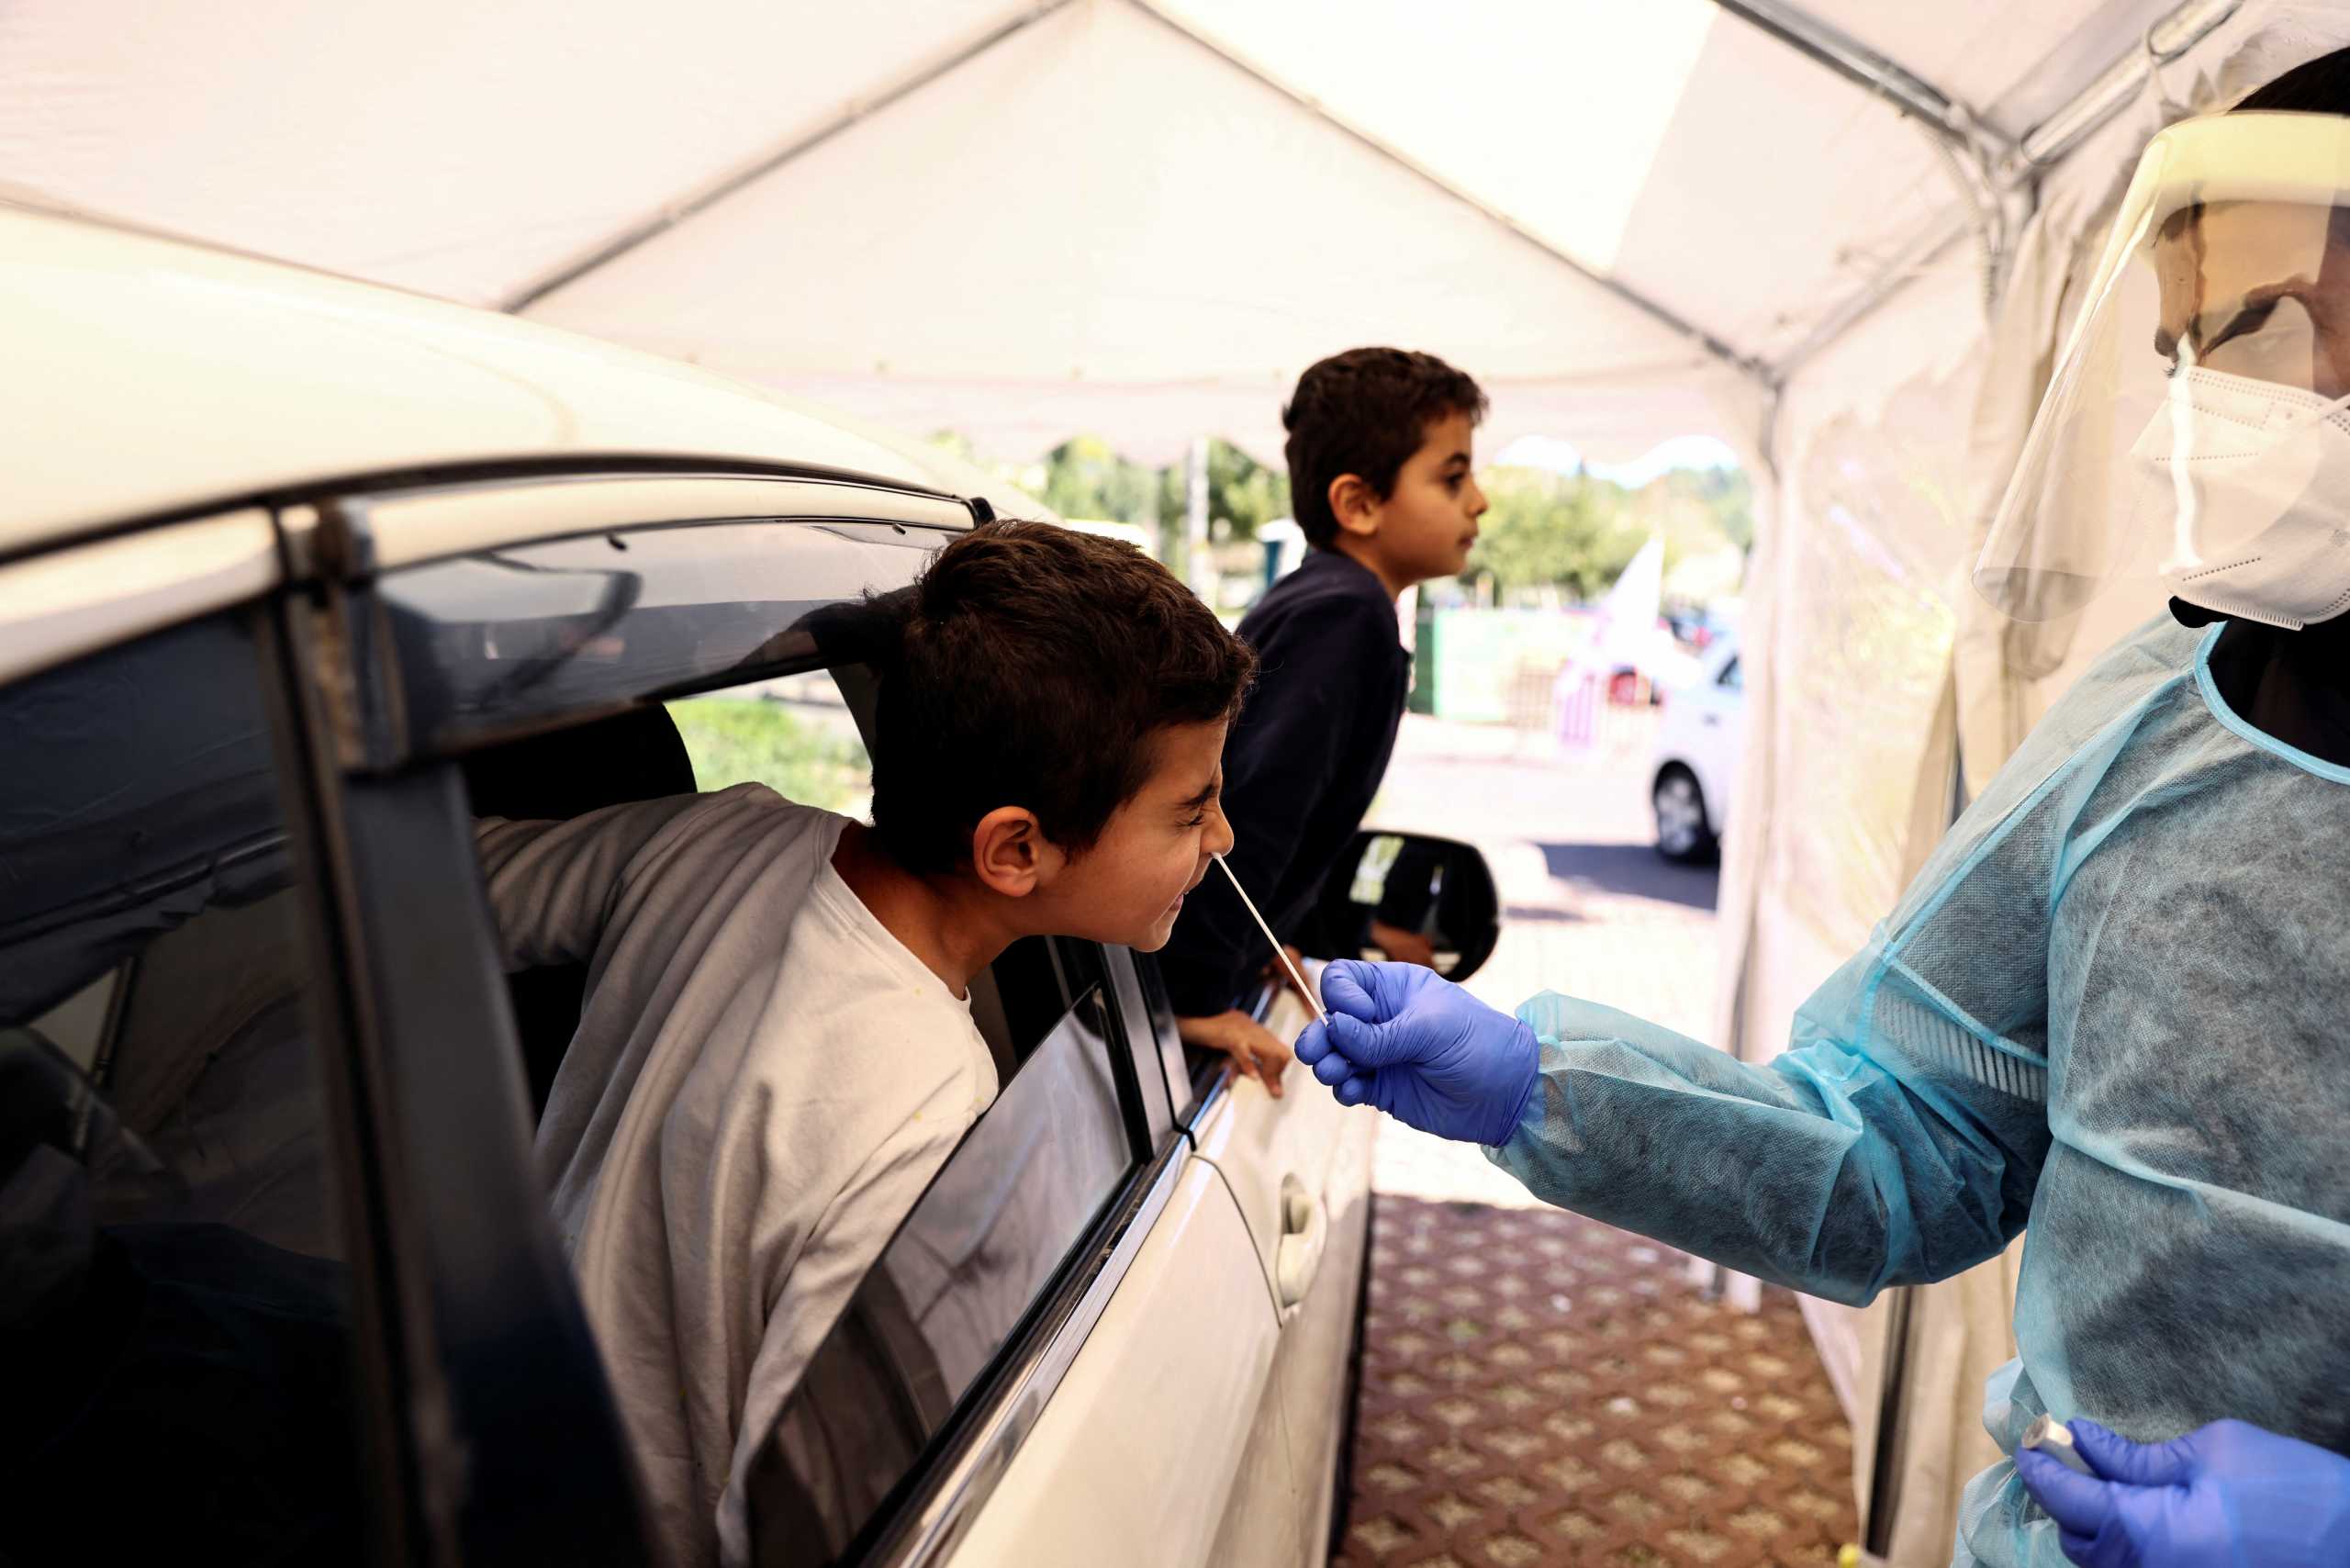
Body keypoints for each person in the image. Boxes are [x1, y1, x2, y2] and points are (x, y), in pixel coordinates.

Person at [1293, 53, 2350, 1568]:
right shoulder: (2150, 722)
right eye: (2193, 356)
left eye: (2268, 333)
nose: (2210, 419)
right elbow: (1900, 1143)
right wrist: (1540, 1080)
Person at [474, 521, 1255, 1567]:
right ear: (1015, 848)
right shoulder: (926, 1109)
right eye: (1190, 808)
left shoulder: (719, 836)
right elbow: (814, 1517)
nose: (1222, 838)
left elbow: (455, 892)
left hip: (499, 1452)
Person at [1158, 347, 1489, 1092]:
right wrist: (1195, 999)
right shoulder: (1347, 617)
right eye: (1452, 476)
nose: (1479, 501)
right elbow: (1251, 815)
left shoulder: (1330, 603)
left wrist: (1283, 934)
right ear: (1359, 504)